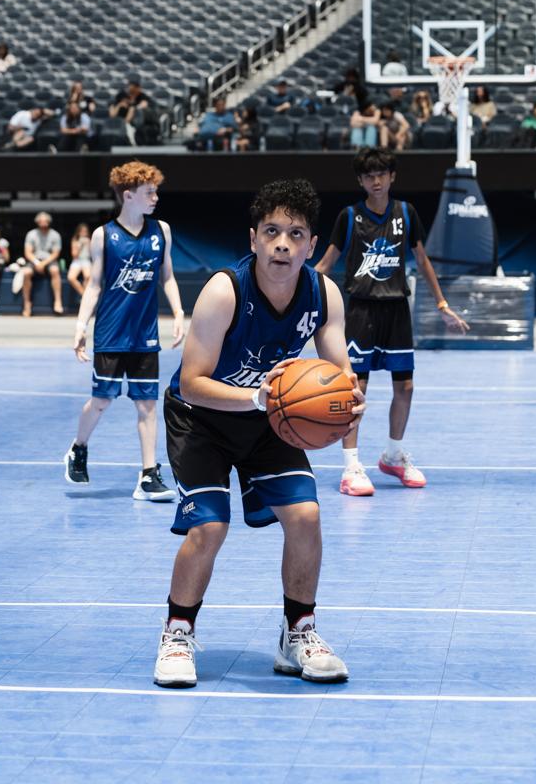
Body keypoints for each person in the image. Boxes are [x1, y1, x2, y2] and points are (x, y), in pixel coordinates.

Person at [153, 179, 365, 689]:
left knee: (306, 516)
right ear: (253, 239)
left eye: (295, 234)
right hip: (201, 418)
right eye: (271, 232)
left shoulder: (324, 294)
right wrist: (255, 398)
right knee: (209, 528)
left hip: (269, 417)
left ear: (312, 245)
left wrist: (349, 400)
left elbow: (341, 371)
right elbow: (192, 382)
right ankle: (177, 633)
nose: (282, 244)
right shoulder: (224, 291)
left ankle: (298, 632)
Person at [315, 148, 468, 497]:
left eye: (381, 174)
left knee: (406, 387)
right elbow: (325, 264)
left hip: (397, 309)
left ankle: (393, 455)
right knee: (355, 389)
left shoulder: (406, 213)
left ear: (392, 176)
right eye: (369, 176)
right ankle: (351, 466)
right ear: (360, 180)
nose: (376, 181)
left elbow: (422, 260)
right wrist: (293, 295)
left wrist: (442, 304)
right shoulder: (349, 217)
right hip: (361, 312)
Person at [66, 161, 184, 501]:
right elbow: (94, 285)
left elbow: (167, 276)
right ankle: (78, 447)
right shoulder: (104, 236)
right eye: (150, 193)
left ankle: (148, 475)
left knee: (147, 405)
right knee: (102, 400)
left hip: (145, 335)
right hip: (111, 333)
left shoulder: (162, 231)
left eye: (156, 192)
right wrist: (80, 326)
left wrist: (178, 312)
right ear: (128, 195)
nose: (156, 198)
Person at [22, 211, 63, 317]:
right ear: (37, 222)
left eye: (45, 220)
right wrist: (37, 262)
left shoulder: (55, 235)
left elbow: (56, 253)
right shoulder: (31, 234)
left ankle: (58, 302)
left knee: (55, 270)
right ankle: (27, 304)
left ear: (49, 222)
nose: (43, 223)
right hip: (34, 260)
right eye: (41, 221)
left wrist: (43, 263)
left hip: (49, 260)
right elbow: (28, 252)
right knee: (26, 272)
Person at [67, 223, 92, 297]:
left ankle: (85, 297)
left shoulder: (90, 240)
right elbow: (74, 255)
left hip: (86, 261)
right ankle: (84, 295)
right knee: (71, 277)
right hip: (77, 261)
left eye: (85, 231)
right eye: (82, 231)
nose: (83, 233)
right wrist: (79, 245)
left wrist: (89, 244)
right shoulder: (75, 240)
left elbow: (93, 255)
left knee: (88, 276)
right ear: (78, 232)